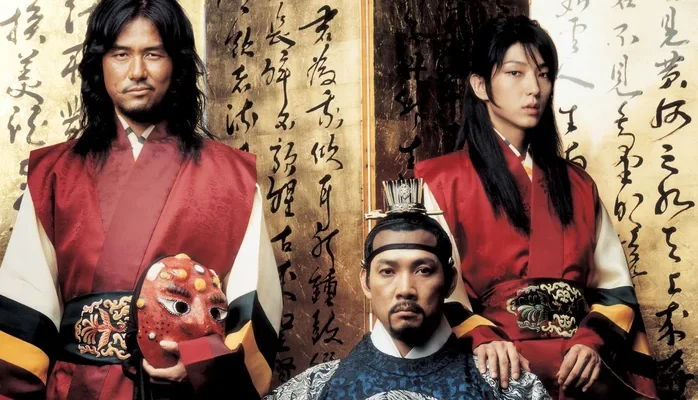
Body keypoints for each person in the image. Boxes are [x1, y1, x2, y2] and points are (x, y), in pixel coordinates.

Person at [0, 0, 282, 399]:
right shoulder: (54, 174)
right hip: (80, 389)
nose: (136, 71)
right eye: (120, 54)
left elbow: (252, 312)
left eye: (153, 54)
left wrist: (200, 364)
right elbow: (25, 312)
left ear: (177, 64)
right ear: (99, 64)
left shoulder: (232, 177)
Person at [414, 15, 658, 400]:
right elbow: (430, 284)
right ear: (480, 85)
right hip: (493, 368)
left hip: (579, 370)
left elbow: (614, 287)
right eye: (515, 73)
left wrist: (591, 342)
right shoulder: (440, 182)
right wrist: (482, 338)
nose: (534, 89)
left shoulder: (578, 185)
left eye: (544, 75)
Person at [264, 180, 550, 400]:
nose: (405, 289)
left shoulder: (505, 387)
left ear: (450, 280)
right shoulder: (315, 388)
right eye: (387, 271)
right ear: (365, 281)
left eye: (423, 270)